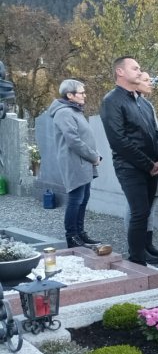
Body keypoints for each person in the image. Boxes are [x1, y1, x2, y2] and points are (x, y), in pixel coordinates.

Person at [100, 57, 158, 266]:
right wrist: (149, 164)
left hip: (152, 167)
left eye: (140, 68)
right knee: (139, 213)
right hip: (130, 167)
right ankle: (137, 260)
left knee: (145, 212)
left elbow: (156, 133)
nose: (140, 72)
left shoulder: (143, 103)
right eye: (135, 68)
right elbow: (118, 140)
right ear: (120, 72)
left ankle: (142, 255)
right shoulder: (112, 101)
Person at [47, 79, 103, 248]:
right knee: (76, 200)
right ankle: (72, 236)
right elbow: (73, 141)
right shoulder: (64, 113)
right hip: (74, 162)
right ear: (70, 95)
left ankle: (80, 233)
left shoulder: (74, 110)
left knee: (83, 199)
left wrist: (94, 155)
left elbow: (84, 137)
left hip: (83, 161)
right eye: (81, 93)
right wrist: (93, 157)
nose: (84, 95)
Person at [129, 72, 158, 262]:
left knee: (151, 206)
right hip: (142, 163)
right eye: (146, 80)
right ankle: (137, 247)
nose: (150, 83)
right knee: (138, 209)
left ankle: (148, 244)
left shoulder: (146, 105)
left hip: (156, 161)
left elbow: (157, 132)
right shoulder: (129, 105)